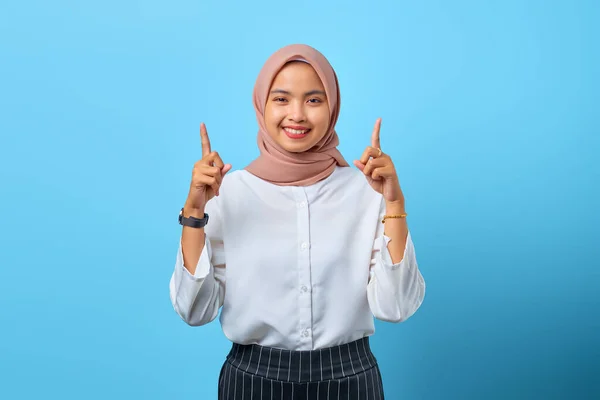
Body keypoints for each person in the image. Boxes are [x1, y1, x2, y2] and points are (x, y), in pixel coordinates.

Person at [169, 44, 426, 400]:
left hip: (350, 379)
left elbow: (395, 307)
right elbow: (194, 310)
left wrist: (394, 201)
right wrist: (194, 212)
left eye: (314, 100)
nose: (297, 115)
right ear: (262, 105)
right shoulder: (228, 192)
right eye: (281, 99)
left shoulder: (367, 189)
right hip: (253, 381)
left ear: (332, 106)